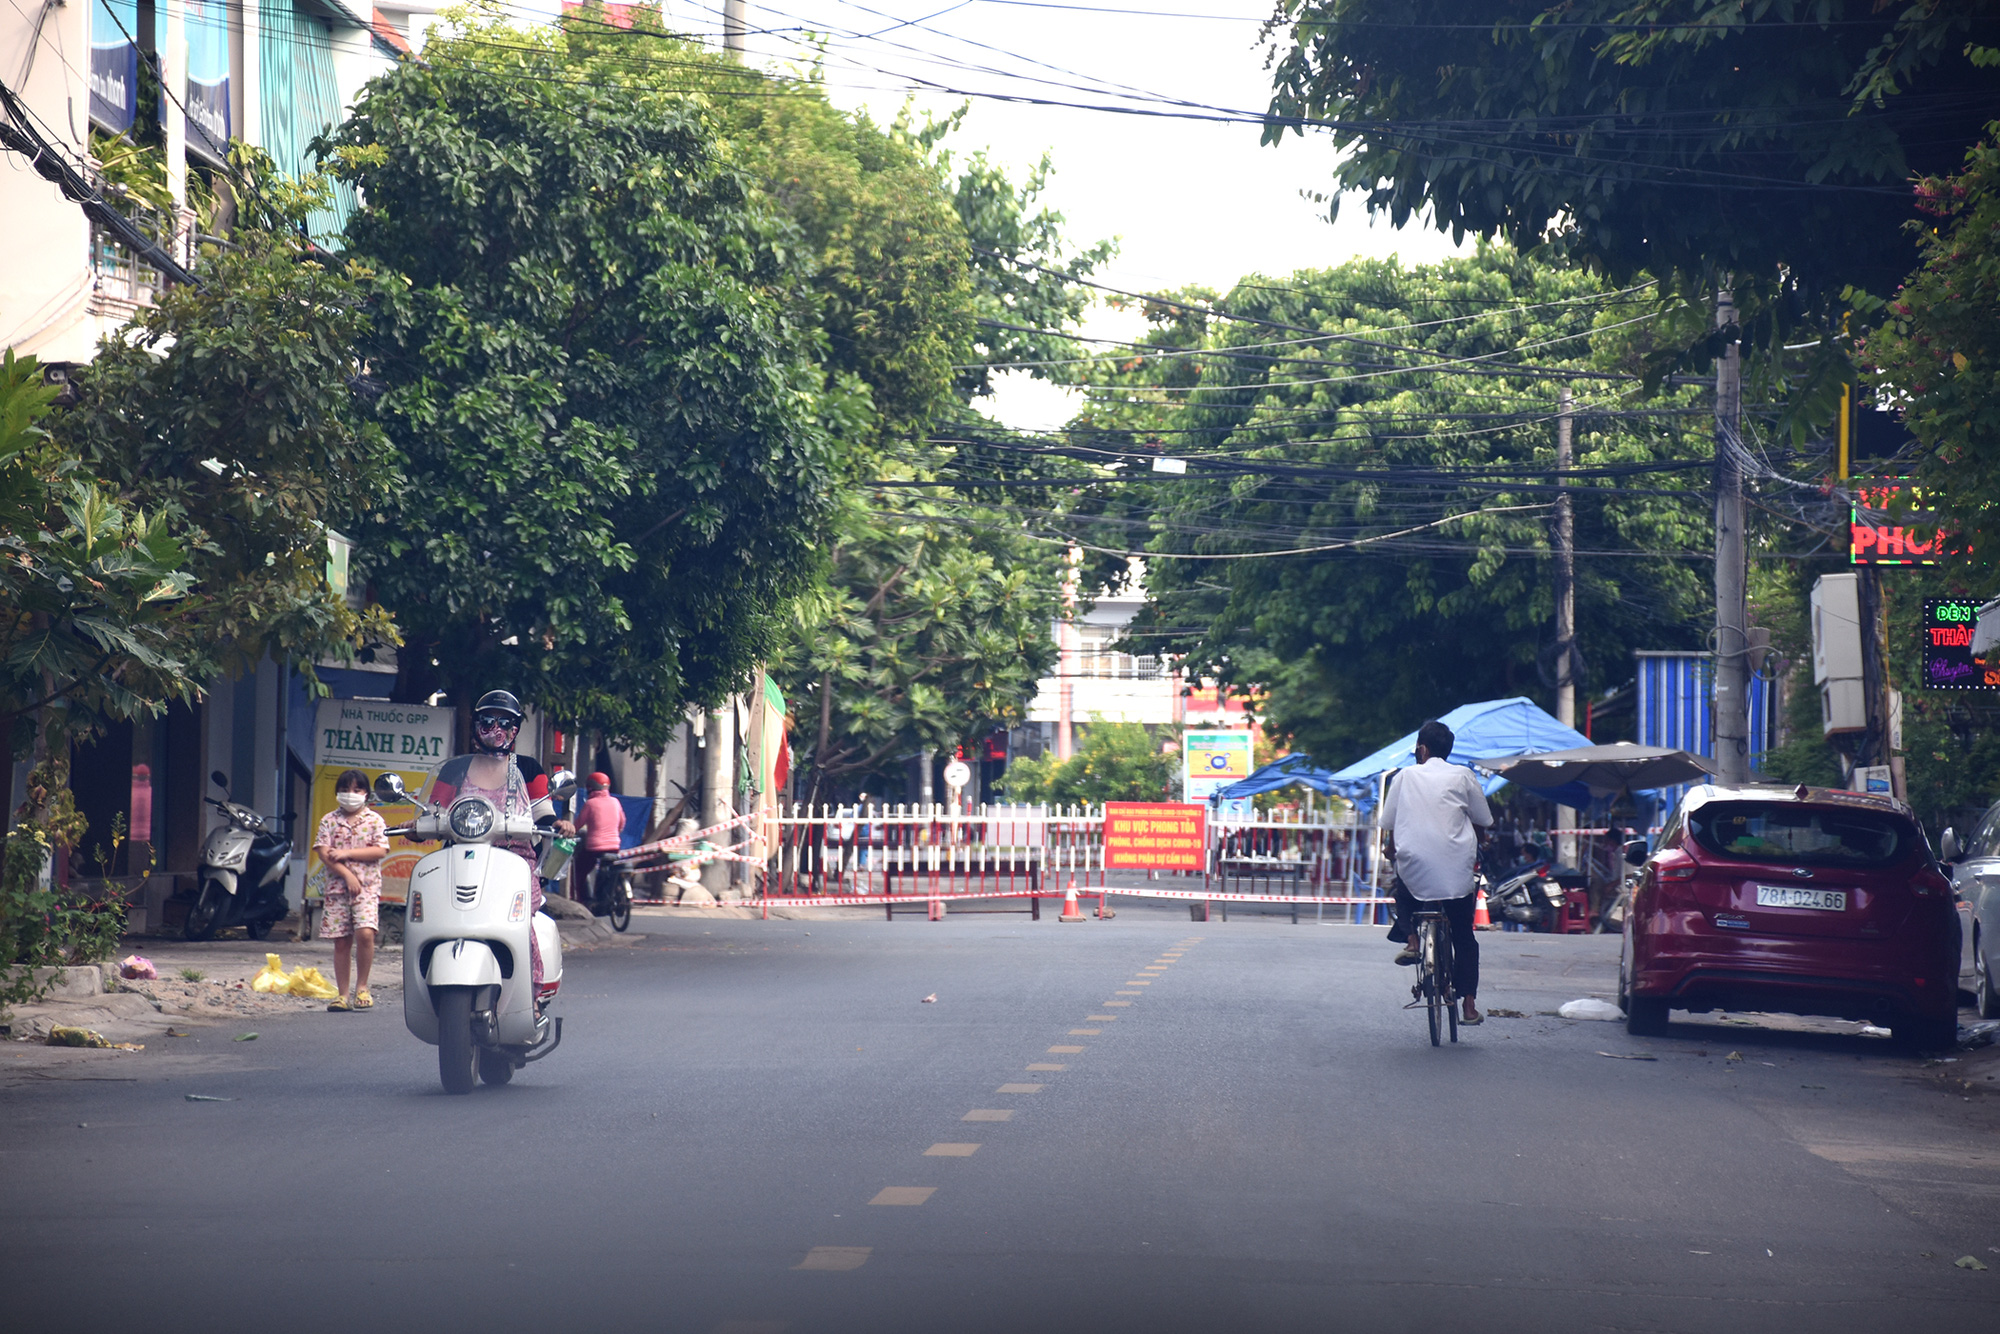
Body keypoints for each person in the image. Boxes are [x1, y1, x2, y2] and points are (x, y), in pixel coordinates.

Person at [425, 691, 572, 1000]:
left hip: (514, 860)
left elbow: (543, 812)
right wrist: (419, 824)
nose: (496, 728)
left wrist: (558, 824)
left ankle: (530, 996)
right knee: (429, 910)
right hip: (458, 858)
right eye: (488, 720)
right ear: (475, 724)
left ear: (516, 728)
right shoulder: (454, 769)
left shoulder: (528, 768)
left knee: (522, 920)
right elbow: (434, 810)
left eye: (505, 722)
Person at [1381, 719, 1493, 1026]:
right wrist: (1480, 839)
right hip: (1456, 870)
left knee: (1404, 892)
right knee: (1464, 935)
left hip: (1414, 865)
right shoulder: (1464, 775)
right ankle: (1468, 1005)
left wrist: (1391, 850)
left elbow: (1390, 822)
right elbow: (1483, 819)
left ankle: (1412, 940)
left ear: (1422, 749)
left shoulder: (1404, 776)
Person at [314, 768, 389, 1012]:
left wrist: (347, 853)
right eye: (345, 789)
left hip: (367, 887)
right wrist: (347, 875)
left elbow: (380, 850)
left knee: (366, 933)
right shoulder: (328, 820)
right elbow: (324, 853)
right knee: (341, 941)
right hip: (337, 889)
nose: (350, 794)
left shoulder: (374, 820)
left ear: (366, 793)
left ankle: (363, 987)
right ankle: (343, 995)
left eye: (357, 789)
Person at [572, 772, 626, 903]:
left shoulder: (590, 804)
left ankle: (583, 900)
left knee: (579, 871)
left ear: (590, 787)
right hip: (614, 847)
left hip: (594, 848)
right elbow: (622, 823)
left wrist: (570, 830)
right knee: (609, 871)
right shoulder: (615, 802)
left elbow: (578, 825)